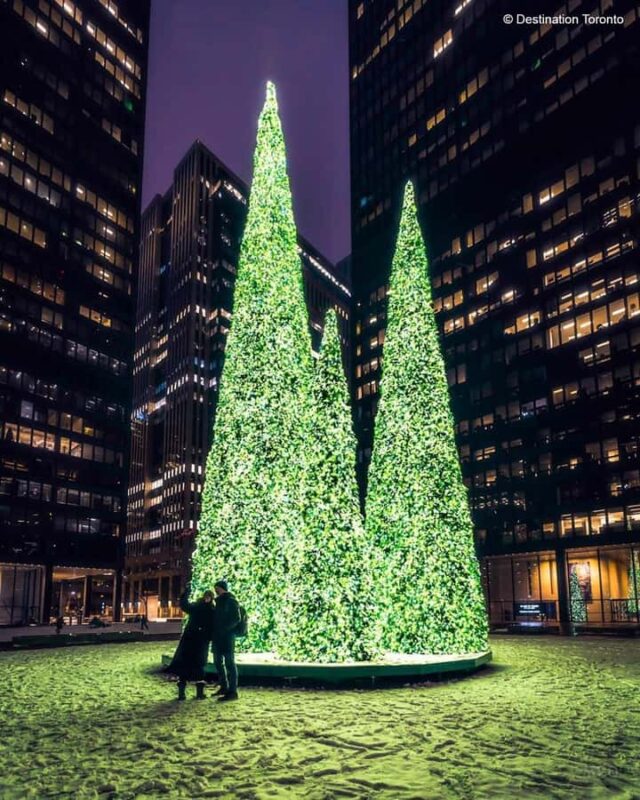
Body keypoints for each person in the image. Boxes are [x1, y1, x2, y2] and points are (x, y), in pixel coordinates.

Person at [166, 586, 215, 701]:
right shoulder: (205, 608)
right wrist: (185, 594)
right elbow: (184, 605)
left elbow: (185, 605)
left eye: (209, 597)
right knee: (191, 665)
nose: (207, 598)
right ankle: (185, 693)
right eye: (207, 596)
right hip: (196, 640)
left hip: (196, 640)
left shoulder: (207, 609)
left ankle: (196, 693)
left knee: (197, 666)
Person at [211, 580, 241, 702]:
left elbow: (236, 618)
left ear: (222, 588)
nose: (215, 590)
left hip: (227, 637)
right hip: (218, 637)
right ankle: (224, 687)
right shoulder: (218, 601)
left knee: (229, 663)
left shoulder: (231, 601)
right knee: (217, 661)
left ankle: (232, 691)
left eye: (217, 588)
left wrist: (225, 629)